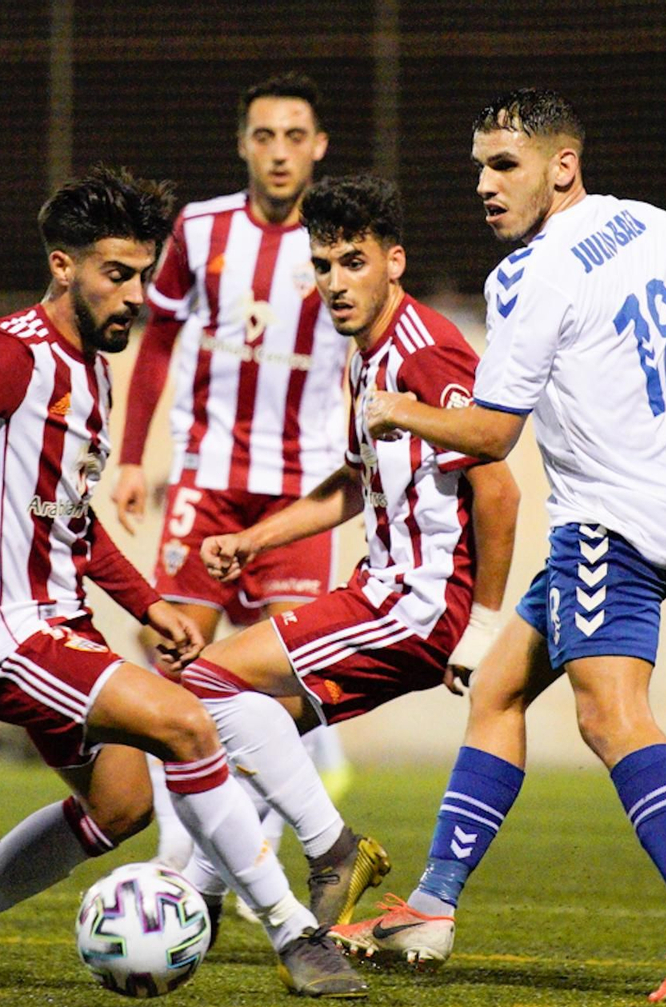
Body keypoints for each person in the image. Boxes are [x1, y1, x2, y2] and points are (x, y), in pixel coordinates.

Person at [0, 165, 366, 998]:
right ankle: (297, 933)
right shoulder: (10, 354)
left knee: (122, 804)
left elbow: (74, 522)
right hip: (0, 630)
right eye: (117, 274)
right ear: (64, 266)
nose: (136, 294)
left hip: (60, 625)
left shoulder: (90, 370)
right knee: (187, 723)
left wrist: (151, 604)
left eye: (143, 276)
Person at [333, 89, 666, 1003]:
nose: (486, 187)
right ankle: (431, 904)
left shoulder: (530, 277)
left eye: (506, 166)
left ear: (561, 167)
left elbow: (491, 436)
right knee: (498, 688)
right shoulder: (642, 224)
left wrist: (392, 408)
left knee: (610, 715)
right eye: (480, 169)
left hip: (606, 522)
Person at [173, 174, 521, 928]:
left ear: (394, 261)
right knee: (265, 714)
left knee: (204, 678)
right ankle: (199, 888)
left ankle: (333, 847)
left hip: (414, 604)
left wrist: (483, 625)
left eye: (352, 262)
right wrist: (252, 538)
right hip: (384, 593)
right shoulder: (368, 351)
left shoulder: (424, 351)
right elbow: (356, 483)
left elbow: (499, 488)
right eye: (322, 265)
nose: (335, 282)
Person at [108, 73, 355, 873]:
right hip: (208, 480)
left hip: (300, 491)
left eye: (294, 137)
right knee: (174, 655)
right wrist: (133, 456)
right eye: (264, 136)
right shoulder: (200, 229)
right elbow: (156, 343)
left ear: (318, 146)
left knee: (281, 681)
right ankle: (182, 852)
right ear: (242, 143)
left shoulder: (340, 238)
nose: (279, 153)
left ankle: (246, 850)